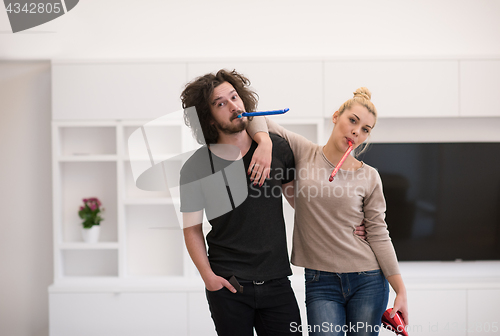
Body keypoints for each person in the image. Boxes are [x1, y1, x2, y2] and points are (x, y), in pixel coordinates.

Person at [247, 87, 409, 336]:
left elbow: (378, 233)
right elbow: (254, 117)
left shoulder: (370, 176)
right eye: (352, 120)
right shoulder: (304, 152)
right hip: (320, 281)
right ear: (336, 116)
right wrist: (265, 141)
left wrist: (401, 291)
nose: (356, 131)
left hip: (368, 279)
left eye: (365, 129)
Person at [179, 69, 301, 336]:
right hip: (228, 286)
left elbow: (301, 206)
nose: (234, 106)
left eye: (235, 97)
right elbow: (191, 229)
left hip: (278, 281)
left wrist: (346, 222)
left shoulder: (277, 149)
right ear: (208, 119)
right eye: (220, 103)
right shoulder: (195, 167)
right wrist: (208, 278)